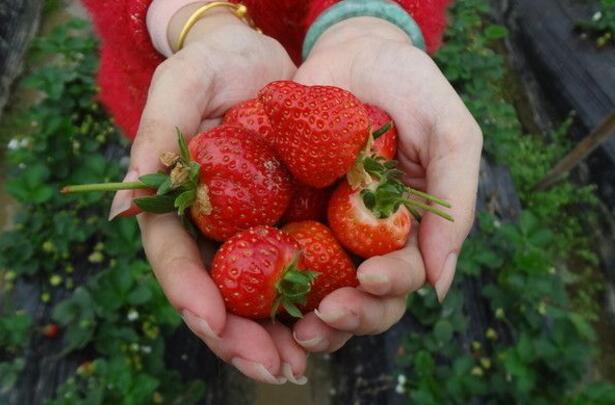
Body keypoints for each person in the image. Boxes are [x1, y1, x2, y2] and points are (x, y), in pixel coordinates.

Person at [82, 0, 482, 385]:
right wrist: (194, 18)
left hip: (303, 81)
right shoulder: (214, 154)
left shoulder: (341, 145)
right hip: (196, 97)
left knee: (351, 301)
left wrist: (366, 20)